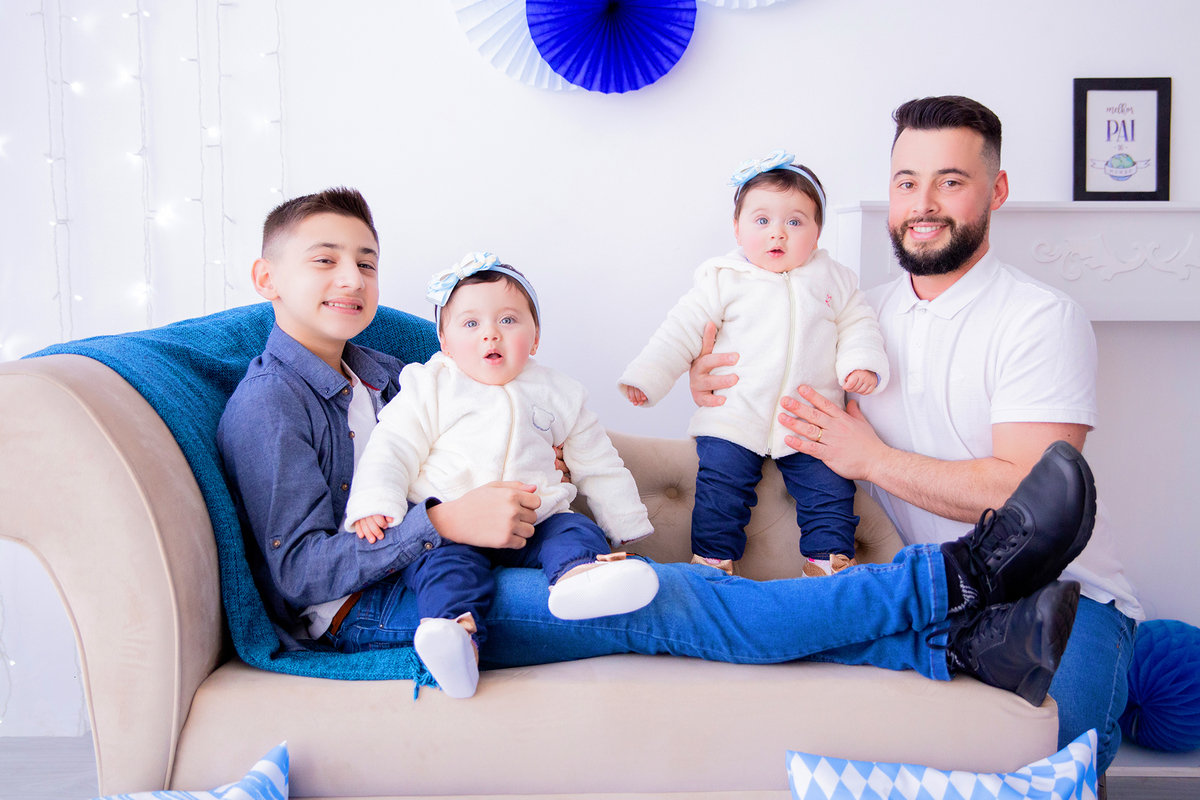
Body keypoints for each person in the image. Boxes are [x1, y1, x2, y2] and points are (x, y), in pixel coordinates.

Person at [219, 185, 1090, 708]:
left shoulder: (386, 363)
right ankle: (965, 575)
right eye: (324, 261)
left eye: (366, 263)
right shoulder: (271, 404)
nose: (351, 281)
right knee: (673, 602)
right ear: (267, 279)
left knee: (650, 598)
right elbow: (298, 580)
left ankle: (965, 647)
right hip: (378, 611)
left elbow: (494, 382)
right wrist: (441, 523)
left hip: (483, 555)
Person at [688, 96, 1142, 772]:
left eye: (950, 181)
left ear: (997, 190)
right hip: (919, 593)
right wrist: (711, 382)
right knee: (733, 635)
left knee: (1051, 764)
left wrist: (869, 458)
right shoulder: (854, 317)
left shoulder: (1040, 319)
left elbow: (1024, 497)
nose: (923, 203)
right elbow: (767, 399)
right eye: (907, 182)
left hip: (1059, 596)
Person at [342, 252, 659, 698]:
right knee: (445, 571)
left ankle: (578, 580)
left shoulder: (560, 392)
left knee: (575, 529)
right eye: (470, 324)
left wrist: (624, 520)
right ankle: (456, 641)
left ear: (535, 337)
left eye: (508, 320)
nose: (490, 332)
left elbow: (599, 462)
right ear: (445, 342)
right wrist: (377, 502)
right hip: (453, 524)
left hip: (537, 518)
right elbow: (392, 446)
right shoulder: (431, 385)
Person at [619, 153, 888, 577]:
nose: (777, 233)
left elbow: (858, 324)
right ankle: (712, 561)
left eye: (795, 222)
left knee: (829, 489)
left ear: (817, 232)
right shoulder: (722, 280)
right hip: (735, 414)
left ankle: (827, 561)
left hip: (809, 419)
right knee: (720, 487)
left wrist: (861, 363)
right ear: (737, 229)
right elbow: (679, 332)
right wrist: (647, 378)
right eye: (761, 221)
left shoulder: (834, 280)